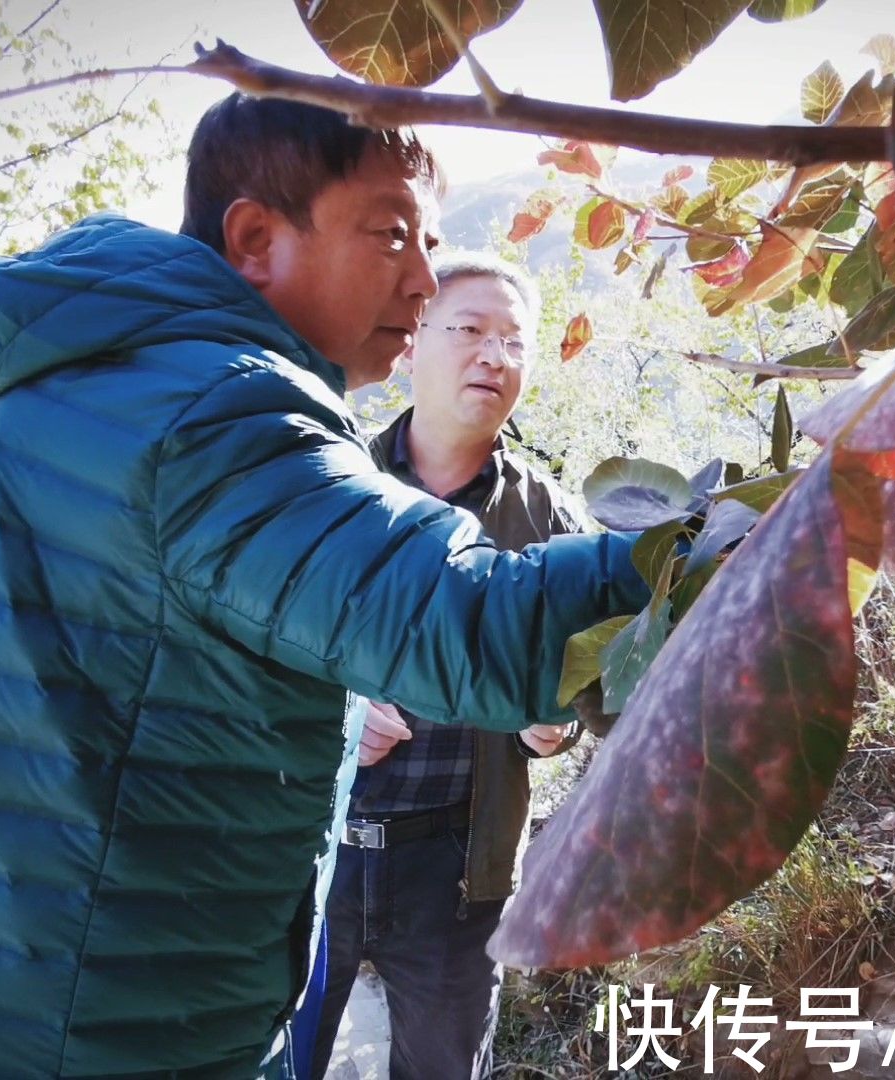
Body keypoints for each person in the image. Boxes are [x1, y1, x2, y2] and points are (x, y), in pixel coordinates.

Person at [0, 95, 648, 1079]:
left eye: (432, 243)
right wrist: (731, 548)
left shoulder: (75, 377)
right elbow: (466, 622)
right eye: (390, 235)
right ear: (254, 238)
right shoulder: (218, 414)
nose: (422, 279)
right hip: (107, 1027)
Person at [296, 254, 586, 1078]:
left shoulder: (551, 518)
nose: (494, 355)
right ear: (414, 336)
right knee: (275, 1061)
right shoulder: (329, 483)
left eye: (514, 341)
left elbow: (580, 682)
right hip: (311, 854)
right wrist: (337, 715)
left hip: (457, 872)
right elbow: (247, 646)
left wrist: (551, 727)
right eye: (468, 329)